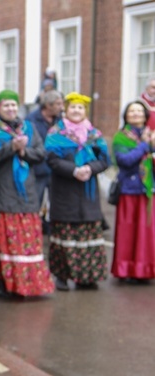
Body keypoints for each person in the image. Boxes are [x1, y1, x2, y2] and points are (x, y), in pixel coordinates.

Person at [0, 89, 54, 298]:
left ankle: (27, 285)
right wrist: (11, 147)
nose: (11, 109)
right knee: (4, 243)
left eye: (14, 105)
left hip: (26, 194)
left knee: (27, 242)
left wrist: (23, 151)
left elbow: (40, 154)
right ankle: (3, 284)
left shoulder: (28, 127)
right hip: (0, 194)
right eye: (6, 105)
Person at [44, 92, 110, 290]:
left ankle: (87, 277)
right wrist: (74, 170)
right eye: (72, 107)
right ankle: (62, 276)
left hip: (88, 192)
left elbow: (105, 160)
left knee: (88, 235)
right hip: (65, 190)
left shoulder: (94, 135)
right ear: (66, 109)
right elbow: (52, 160)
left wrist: (90, 169)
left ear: (85, 111)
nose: (76, 110)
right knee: (64, 235)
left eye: (80, 107)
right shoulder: (56, 133)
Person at [110, 100, 155, 283]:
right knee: (128, 230)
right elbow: (125, 161)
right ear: (126, 116)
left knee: (146, 231)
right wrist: (145, 146)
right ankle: (125, 268)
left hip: (148, 189)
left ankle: (144, 270)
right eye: (132, 111)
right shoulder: (120, 137)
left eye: (139, 111)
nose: (136, 114)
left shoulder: (151, 136)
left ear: (145, 115)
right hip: (129, 190)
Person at [25, 90, 64, 233]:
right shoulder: (31, 120)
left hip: (55, 169)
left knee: (56, 201)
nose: (62, 107)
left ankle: (52, 227)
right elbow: (30, 144)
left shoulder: (60, 120)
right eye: (58, 104)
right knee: (35, 200)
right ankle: (33, 228)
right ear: (48, 105)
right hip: (38, 169)